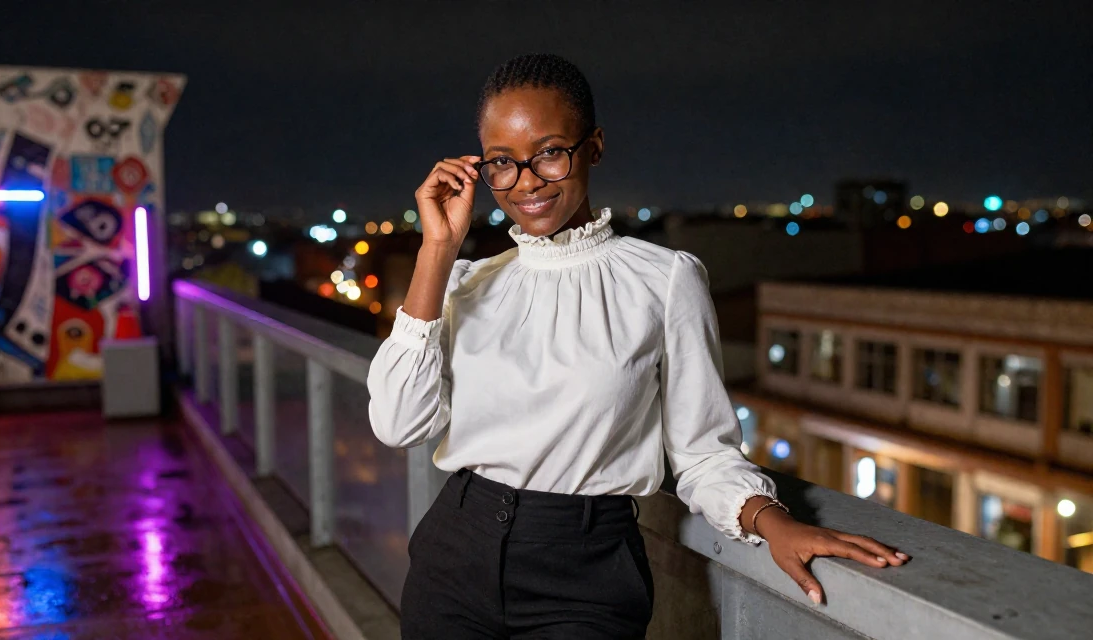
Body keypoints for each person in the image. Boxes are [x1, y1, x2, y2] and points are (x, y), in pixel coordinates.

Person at [367, 53, 908, 639]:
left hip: (586, 573)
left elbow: (701, 449)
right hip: (454, 555)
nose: (526, 181)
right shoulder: (464, 281)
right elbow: (398, 423)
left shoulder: (665, 280)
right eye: (502, 162)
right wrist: (437, 250)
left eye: (549, 152)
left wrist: (771, 521)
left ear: (593, 146)